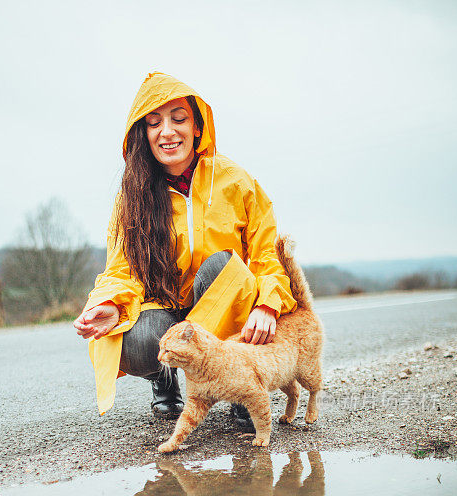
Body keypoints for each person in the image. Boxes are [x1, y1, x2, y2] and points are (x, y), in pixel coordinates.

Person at [74, 72, 296, 422]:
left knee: (224, 265)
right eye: (154, 123)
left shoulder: (236, 181)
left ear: (197, 127)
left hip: (219, 308)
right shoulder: (131, 196)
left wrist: (268, 304)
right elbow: (121, 268)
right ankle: (164, 382)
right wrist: (111, 305)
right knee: (137, 342)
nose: (167, 131)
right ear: (142, 134)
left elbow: (267, 254)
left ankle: (240, 383)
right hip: (164, 308)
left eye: (179, 119)